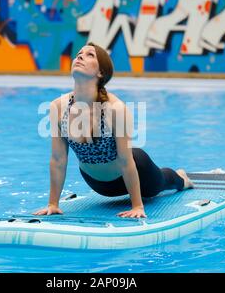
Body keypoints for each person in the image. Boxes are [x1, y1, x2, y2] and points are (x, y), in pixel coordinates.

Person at [33, 42, 193, 219]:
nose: (80, 56)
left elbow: (126, 161)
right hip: (99, 185)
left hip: (137, 171)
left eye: (90, 55)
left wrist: (137, 206)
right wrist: (52, 204)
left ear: (100, 73)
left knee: (160, 184)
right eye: (79, 53)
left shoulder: (115, 108)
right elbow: (58, 159)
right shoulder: (58, 107)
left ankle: (182, 179)